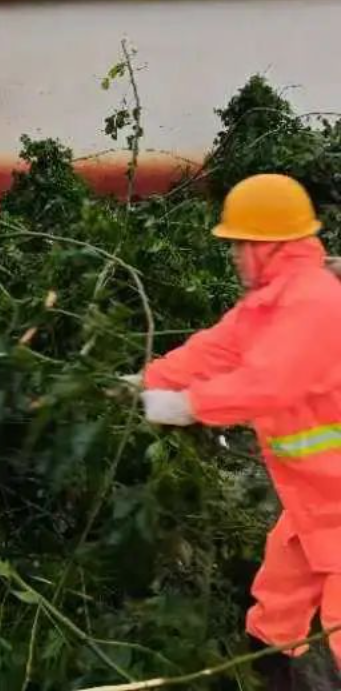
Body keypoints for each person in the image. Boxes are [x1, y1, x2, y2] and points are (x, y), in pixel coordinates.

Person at [138, 174, 341, 689]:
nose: (232, 256)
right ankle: (273, 673)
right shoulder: (272, 301)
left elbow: (268, 382)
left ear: (266, 246)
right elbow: (216, 349)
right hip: (316, 501)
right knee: (276, 607)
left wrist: (188, 406)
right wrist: (145, 381)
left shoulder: (315, 304)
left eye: (237, 245)